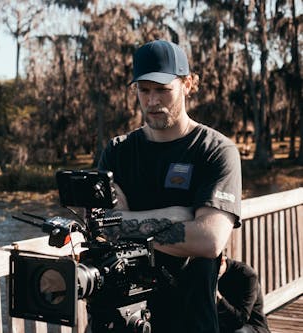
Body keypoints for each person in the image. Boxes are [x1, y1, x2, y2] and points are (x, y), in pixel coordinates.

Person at [97, 39, 242, 333]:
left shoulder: (215, 150)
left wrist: (124, 223)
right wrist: (179, 217)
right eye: (144, 90)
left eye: (163, 89)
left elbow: (210, 240)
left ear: (187, 84)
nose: (152, 101)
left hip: (190, 319)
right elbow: (102, 228)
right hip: (122, 319)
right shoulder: (118, 151)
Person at [217, 255, 271, 333]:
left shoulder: (247, 275)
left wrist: (219, 300)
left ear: (222, 261)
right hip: (224, 325)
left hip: (252, 326)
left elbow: (241, 319)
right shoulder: (210, 275)